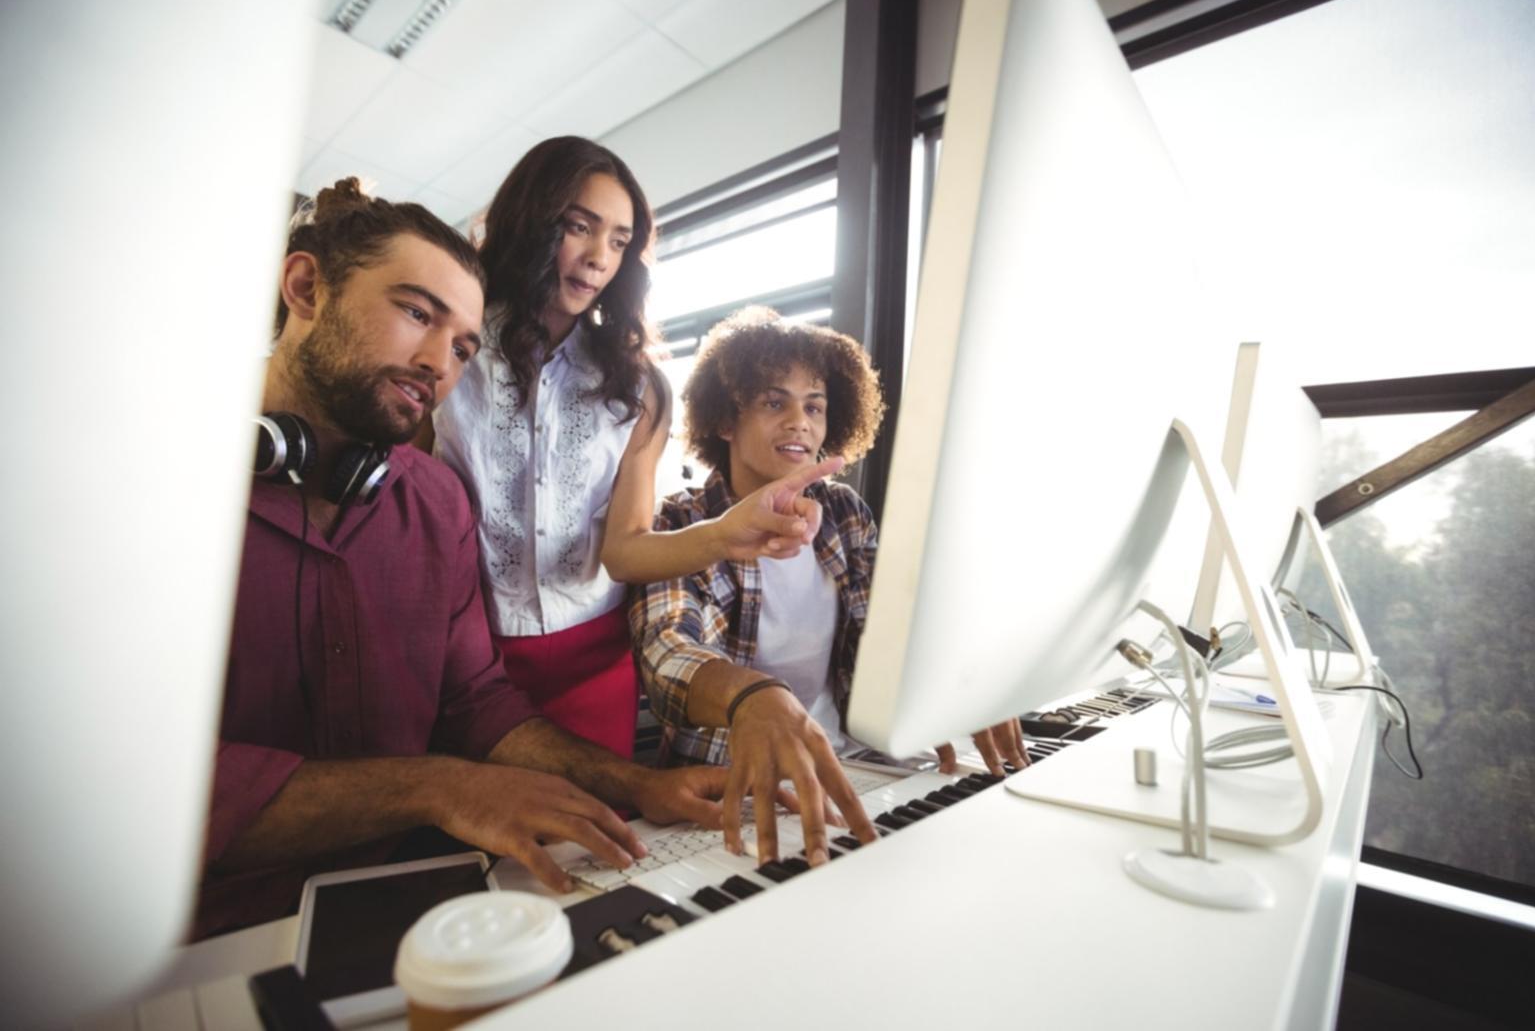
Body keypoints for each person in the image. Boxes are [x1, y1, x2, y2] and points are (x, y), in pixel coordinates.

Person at [202, 179, 726, 939]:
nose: (436, 363)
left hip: (416, 901)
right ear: (306, 287)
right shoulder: (148, 495)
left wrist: (641, 784)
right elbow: (131, 787)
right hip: (199, 932)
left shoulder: (437, 502)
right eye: (416, 312)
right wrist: (438, 785)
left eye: (462, 347)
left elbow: (476, 702)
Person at [428, 137, 839, 761]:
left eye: (620, 241)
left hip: (592, 668)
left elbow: (624, 551)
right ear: (531, 220)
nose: (598, 258)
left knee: (596, 847)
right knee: (481, 845)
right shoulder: (448, 348)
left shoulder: (637, 386)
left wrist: (728, 532)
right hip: (465, 663)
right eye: (579, 227)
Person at [630, 308, 1032, 870]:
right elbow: (667, 655)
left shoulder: (843, 512)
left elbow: (888, 632)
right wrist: (753, 698)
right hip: (734, 790)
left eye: (814, 405)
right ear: (725, 419)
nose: (800, 422)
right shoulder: (681, 523)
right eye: (775, 402)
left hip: (860, 767)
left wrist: (958, 680)